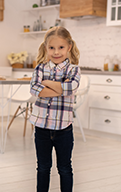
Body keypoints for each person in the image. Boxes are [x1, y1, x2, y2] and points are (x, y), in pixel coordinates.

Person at [29, 26, 81, 192]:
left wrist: (47, 83)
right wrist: (60, 88)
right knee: (43, 167)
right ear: (46, 48)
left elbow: (71, 88)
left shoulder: (73, 69)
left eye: (61, 47)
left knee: (64, 167)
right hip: (41, 128)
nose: (56, 52)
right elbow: (34, 90)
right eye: (51, 48)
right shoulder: (40, 68)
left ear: (69, 47)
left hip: (63, 129)